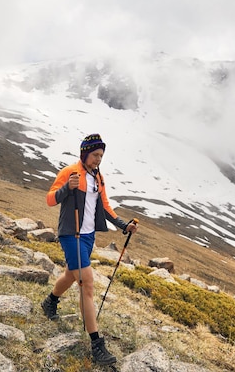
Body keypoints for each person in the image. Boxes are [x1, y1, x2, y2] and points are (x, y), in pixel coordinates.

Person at [42, 133, 138, 366]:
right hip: (70, 234)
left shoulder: (98, 178)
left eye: (101, 156)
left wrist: (123, 225)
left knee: (70, 274)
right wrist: (67, 188)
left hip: (86, 237)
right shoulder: (70, 173)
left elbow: (104, 206)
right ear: (85, 153)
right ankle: (96, 344)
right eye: (95, 155)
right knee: (87, 283)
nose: (98, 160)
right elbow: (50, 199)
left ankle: (50, 302)